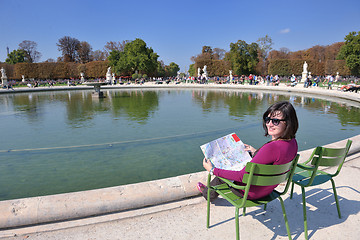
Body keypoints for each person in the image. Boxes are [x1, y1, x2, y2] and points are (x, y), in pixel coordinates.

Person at [197, 101, 299, 201]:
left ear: (288, 122)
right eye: (267, 119)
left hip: (249, 192)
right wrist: (256, 153)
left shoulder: (272, 148)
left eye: (275, 121)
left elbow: (241, 176)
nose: (269, 124)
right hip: (267, 189)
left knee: (222, 174)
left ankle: (207, 194)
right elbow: (275, 159)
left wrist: (212, 170)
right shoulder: (293, 143)